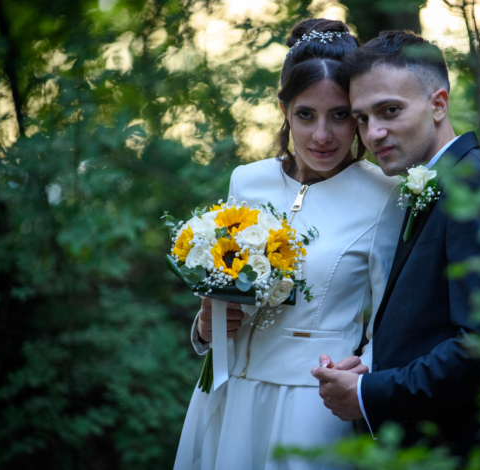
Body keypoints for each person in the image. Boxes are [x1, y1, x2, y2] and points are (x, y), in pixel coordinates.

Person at [173, 19, 404, 469]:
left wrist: (361, 378)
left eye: (340, 115)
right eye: (306, 115)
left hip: (312, 403)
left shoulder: (383, 195)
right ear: (284, 109)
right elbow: (227, 287)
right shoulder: (248, 180)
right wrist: (206, 326)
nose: (323, 135)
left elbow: (390, 320)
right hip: (228, 393)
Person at [311, 31, 480, 454]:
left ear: (438, 104)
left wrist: (369, 394)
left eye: (390, 110)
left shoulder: (478, 187)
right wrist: (370, 369)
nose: (373, 133)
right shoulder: (431, 185)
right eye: (362, 118)